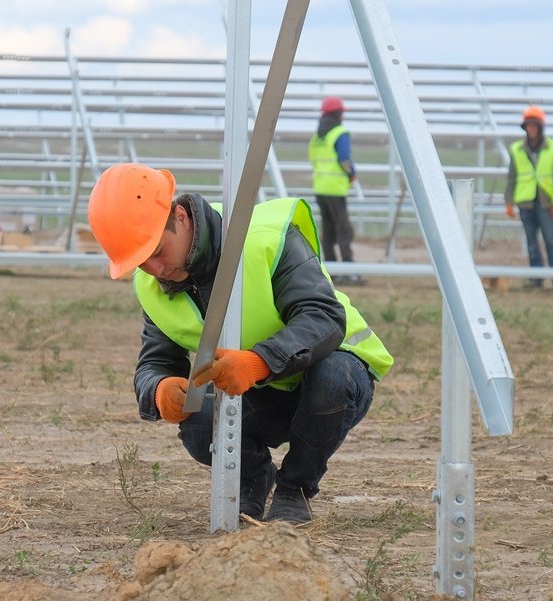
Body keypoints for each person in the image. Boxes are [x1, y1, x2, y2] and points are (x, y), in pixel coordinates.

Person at [86, 163, 393, 524]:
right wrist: (159, 390)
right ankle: (253, 478)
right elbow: (154, 364)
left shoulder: (263, 237)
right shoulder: (152, 286)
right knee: (200, 424)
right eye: (141, 262)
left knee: (331, 377)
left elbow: (323, 318)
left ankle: (295, 488)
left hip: (334, 373)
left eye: (157, 250)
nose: (156, 269)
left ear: (181, 217)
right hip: (264, 393)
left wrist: (258, 361)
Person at [308, 96, 364, 285]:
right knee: (344, 229)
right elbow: (344, 158)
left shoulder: (317, 137)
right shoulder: (340, 133)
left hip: (320, 187)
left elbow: (313, 159)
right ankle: (349, 270)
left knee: (329, 229)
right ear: (338, 114)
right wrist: (352, 174)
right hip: (335, 189)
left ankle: (331, 270)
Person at [505, 105, 553, 289]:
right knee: (531, 242)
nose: (532, 129)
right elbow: (512, 176)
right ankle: (536, 278)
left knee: (551, 240)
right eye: (529, 126)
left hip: (546, 201)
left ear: (540, 127)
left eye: (535, 125)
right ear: (525, 127)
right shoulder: (516, 149)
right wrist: (509, 201)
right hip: (526, 201)